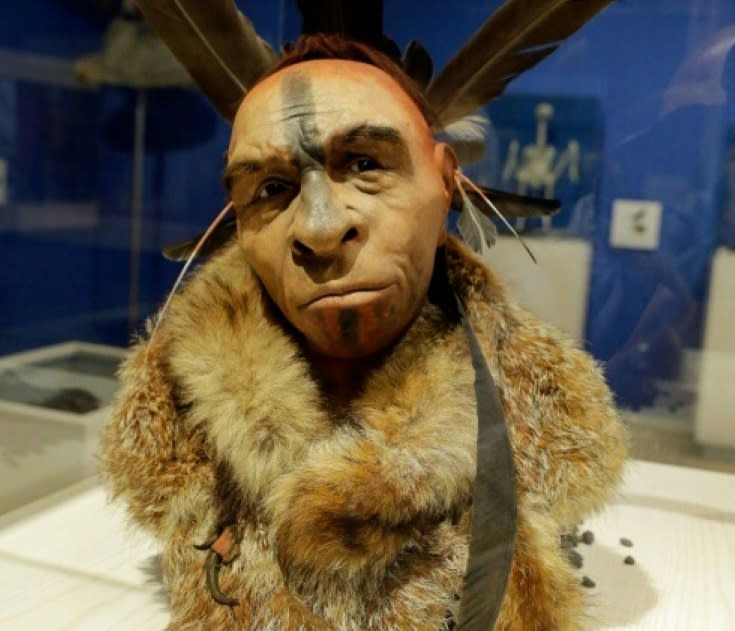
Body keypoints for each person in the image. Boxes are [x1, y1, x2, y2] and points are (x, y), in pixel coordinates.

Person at [102, 34, 627, 630]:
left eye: (365, 163)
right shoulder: (175, 430)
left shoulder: (545, 411)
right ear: (237, 220)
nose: (321, 229)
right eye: (270, 189)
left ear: (445, 183)